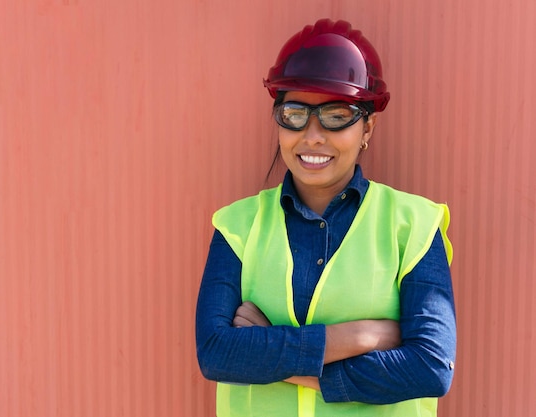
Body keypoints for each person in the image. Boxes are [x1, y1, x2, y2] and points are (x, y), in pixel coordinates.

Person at [195, 18, 456, 417]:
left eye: (336, 115)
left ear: (368, 126)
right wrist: (361, 335)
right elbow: (216, 353)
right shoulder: (238, 227)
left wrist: (275, 355)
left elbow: (430, 367)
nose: (312, 135)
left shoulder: (413, 225)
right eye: (294, 113)